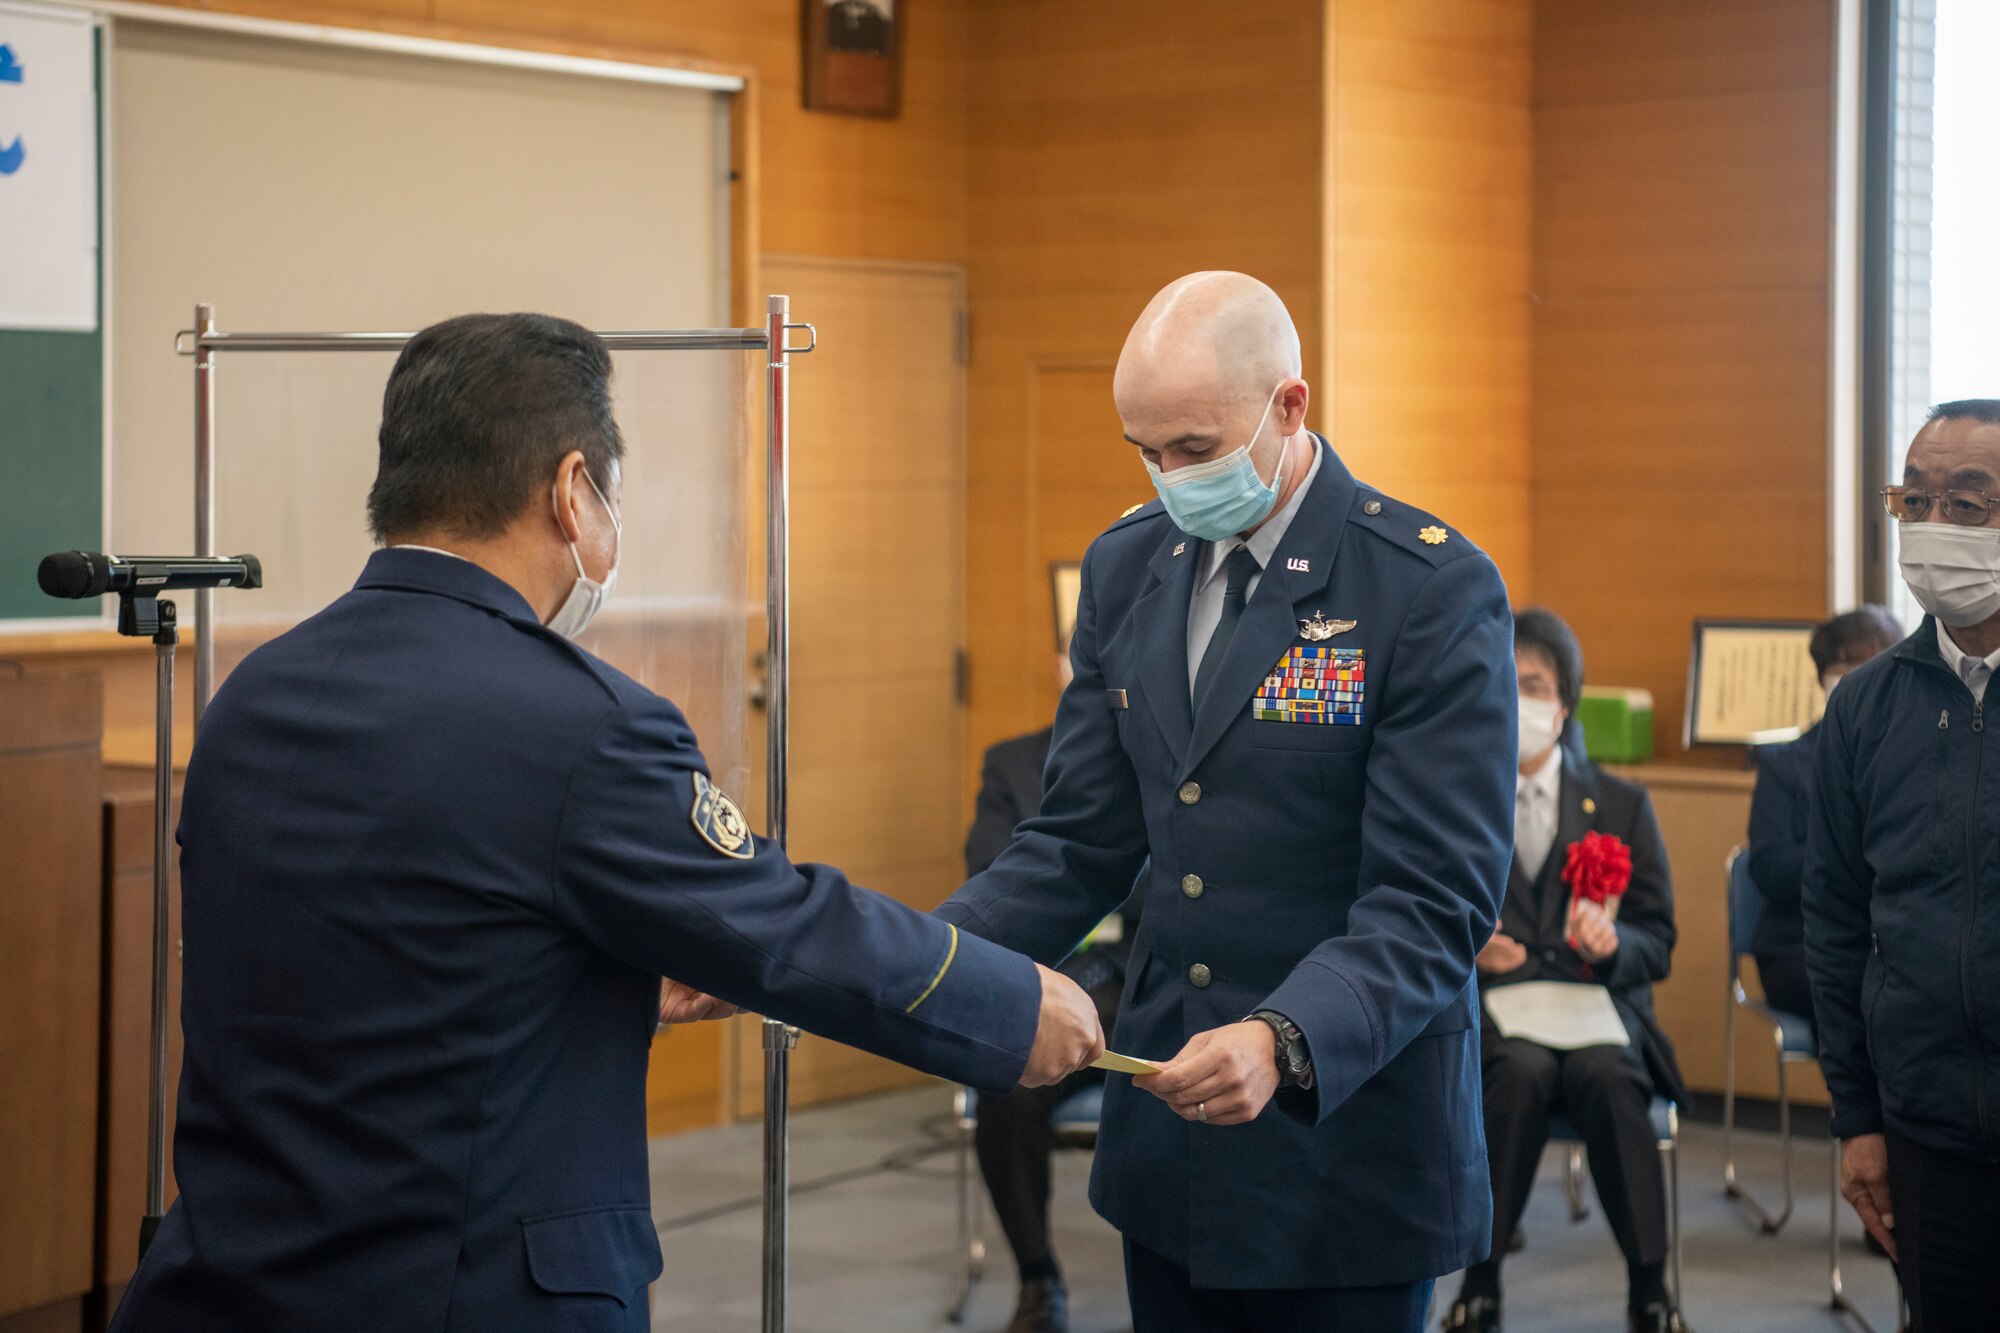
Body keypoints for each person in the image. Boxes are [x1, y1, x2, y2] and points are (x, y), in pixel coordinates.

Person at [109, 313, 1104, 1332]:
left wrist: (622, 965)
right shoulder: (584, 728)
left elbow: (413, 952)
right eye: (612, 494)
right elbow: (787, 924)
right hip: (468, 1292)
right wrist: (1005, 1004)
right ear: (572, 489)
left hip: (240, 1279)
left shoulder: (255, 693)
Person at [938, 271, 1518, 1333]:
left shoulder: (1422, 587)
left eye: (1193, 449)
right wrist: (898, 954)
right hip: (1171, 1135)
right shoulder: (1123, 569)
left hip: (1344, 1128)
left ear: (1286, 406)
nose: (1168, 478)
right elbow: (1073, 841)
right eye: (1144, 452)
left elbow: (1433, 897)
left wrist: (1283, 1034)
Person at [1806, 398, 2000, 1330]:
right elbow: (1835, 922)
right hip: (1926, 1128)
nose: (1935, 528)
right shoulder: (1864, 709)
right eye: (1914, 501)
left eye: (1969, 504)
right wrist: (1858, 1118)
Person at [1443, 608, 1689, 1333]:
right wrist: (1467, 948)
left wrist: (1614, 943)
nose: (1519, 699)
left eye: (1535, 683)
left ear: (1566, 701)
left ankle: (1650, 1289)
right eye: (1504, 682)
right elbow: (1414, 917)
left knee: (1609, 1078)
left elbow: (1660, 939)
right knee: (1516, 1075)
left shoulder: (1620, 803)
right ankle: (1480, 1282)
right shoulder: (1456, 800)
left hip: (1597, 1010)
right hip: (1499, 1012)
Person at [967, 631, 1141, 1333]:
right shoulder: (1012, 761)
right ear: (1058, 664)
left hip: (1137, 975)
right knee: (1004, 1083)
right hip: (1044, 973)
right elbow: (991, 872)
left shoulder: (1153, 756)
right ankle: (1038, 1276)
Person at [1745, 606, 1901, 1023]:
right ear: (1821, 678)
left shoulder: (1914, 757)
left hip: (1896, 940)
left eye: (1871, 664)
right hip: (1799, 945)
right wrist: (1847, 849)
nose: (1857, 677)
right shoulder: (1784, 764)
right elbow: (1768, 869)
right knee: (1866, 990)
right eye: (1843, 665)